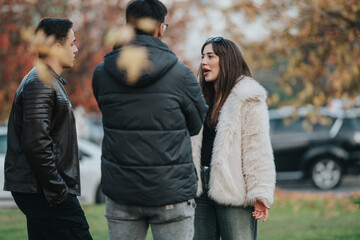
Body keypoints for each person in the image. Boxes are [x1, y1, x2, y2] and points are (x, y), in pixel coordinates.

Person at [92, 0, 208, 239]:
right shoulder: (181, 75)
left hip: (121, 191)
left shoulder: (102, 73)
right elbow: (196, 124)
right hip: (170, 192)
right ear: (159, 29)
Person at [4, 18, 92, 240]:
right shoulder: (40, 83)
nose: (76, 49)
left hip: (41, 190)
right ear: (56, 46)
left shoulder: (46, 81)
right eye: (72, 43)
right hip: (43, 191)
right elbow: (36, 144)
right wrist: (59, 191)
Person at [191, 37, 276, 240]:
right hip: (198, 191)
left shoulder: (248, 98)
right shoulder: (198, 97)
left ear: (227, 60)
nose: (203, 61)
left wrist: (260, 193)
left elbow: (258, 149)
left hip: (233, 189)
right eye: (202, 56)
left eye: (210, 56)